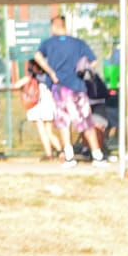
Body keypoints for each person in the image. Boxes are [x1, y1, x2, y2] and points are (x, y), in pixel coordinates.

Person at [34, 15, 108, 166]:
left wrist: (51, 72)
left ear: (55, 26)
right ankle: (97, 156)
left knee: (63, 123)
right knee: (86, 122)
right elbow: (93, 61)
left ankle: (69, 157)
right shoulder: (78, 43)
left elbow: (37, 56)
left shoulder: (49, 43)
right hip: (77, 87)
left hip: (59, 87)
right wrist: (83, 71)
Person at [11, 59, 59, 160]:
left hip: (37, 107)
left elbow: (16, 85)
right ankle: (61, 151)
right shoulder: (49, 77)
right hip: (49, 106)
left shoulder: (30, 77)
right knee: (49, 132)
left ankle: (49, 153)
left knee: (42, 132)